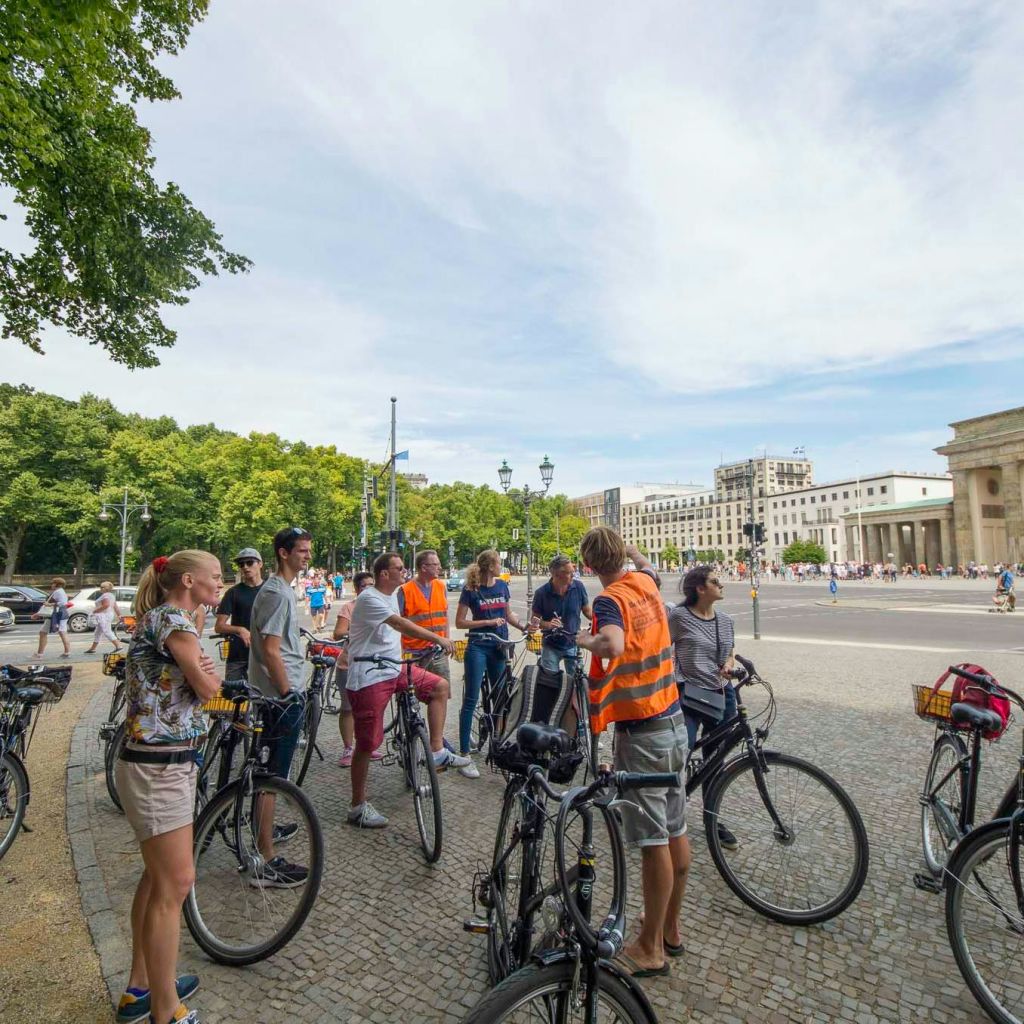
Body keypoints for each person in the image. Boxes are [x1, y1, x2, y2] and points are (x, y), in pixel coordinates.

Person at [114, 551, 222, 1024]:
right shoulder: (175, 619)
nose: (219, 584)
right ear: (188, 580)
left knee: (156, 879)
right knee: (175, 884)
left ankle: (142, 987)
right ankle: (165, 1011)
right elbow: (207, 688)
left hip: (152, 762)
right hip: (160, 767)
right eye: (213, 578)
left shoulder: (165, 617)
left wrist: (203, 668)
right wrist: (206, 673)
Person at [575, 527, 686, 979]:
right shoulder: (644, 583)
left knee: (652, 840)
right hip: (675, 720)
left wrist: (586, 641)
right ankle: (670, 929)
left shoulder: (608, 600)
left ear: (588, 566)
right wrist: (630, 549)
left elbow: (614, 644)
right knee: (677, 830)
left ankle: (648, 948)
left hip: (642, 731)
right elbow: (648, 566)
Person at [345, 551, 465, 828]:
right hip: (369, 675)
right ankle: (357, 806)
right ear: (384, 574)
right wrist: (437, 637)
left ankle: (435, 749)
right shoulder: (371, 598)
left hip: (394, 669)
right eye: (399, 568)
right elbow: (400, 625)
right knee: (367, 743)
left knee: (440, 687)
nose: (405, 572)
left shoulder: (390, 596)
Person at [247, 526, 313, 887]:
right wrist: (287, 693)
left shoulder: (279, 590)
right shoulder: (276, 593)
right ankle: (266, 859)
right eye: (301, 551)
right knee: (272, 778)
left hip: (275, 695)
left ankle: (264, 836)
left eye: (308, 550)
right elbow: (271, 649)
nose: (307, 556)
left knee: (270, 775)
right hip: (278, 699)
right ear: (283, 553)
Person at [671, 565, 738, 850]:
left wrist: (729, 664)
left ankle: (713, 818)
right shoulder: (679, 617)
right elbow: (663, 648)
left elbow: (731, 650)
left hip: (721, 695)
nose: (720, 584)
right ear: (700, 588)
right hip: (688, 696)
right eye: (714, 581)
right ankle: (667, 812)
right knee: (679, 754)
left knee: (715, 762)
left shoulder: (725, 620)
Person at [455, 548, 530, 778]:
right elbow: (459, 622)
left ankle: (499, 742)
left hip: (500, 646)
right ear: (490, 566)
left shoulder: (502, 586)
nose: (501, 567)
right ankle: (464, 754)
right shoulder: (471, 590)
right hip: (479, 645)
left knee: (501, 698)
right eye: (498, 563)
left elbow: (508, 614)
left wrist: (523, 627)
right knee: (471, 699)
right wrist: (486, 622)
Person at [333, 570, 376, 766]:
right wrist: (357, 631)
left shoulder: (378, 606)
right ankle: (348, 748)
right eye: (364, 586)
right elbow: (338, 633)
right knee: (348, 708)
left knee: (369, 709)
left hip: (371, 664)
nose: (368, 589)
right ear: (357, 589)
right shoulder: (349, 608)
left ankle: (366, 746)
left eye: (371, 585)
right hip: (348, 665)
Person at [530, 554, 592, 677]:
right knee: (550, 682)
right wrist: (548, 624)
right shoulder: (541, 593)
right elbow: (534, 619)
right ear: (556, 575)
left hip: (573, 642)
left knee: (577, 680)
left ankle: (577, 696)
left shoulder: (578, 587)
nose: (573, 575)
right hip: (551, 645)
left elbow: (587, 611)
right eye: (569, 573)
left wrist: (600, 620)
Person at [398, 548, 451, 680]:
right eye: (436, 564)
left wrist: (447, 640)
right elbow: (396, 623)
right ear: (423, 567)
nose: (440, 567)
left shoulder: (441, 586)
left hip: (438, 652)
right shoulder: (405, 590)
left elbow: (445, 616)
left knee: (441, 694)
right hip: (413, 653)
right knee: (411, 696)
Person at [213, 548, 265, 681]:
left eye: (249, 562)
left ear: (260, 564)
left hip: (265, 654)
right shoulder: (233, 593)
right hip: (238, 654)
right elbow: (219, 626)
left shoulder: (270, 591)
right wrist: (240, 629)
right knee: (234, 696)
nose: (245, 567)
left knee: (265, 697)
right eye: (241, 564)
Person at [33, 576, 72, 658]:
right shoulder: (60, 591)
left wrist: (49, 604)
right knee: (59, 632)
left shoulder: (58, 592)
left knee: (52, 632)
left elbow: (63, 603)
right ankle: (66, 651)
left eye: (53, 583)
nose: (51, 584)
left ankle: (40, 653)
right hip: (59, 614)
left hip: (56, 614)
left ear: (57, 584)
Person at [84, 580, 122, 655]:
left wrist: (95, 611)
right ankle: (93, 648)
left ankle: (118, 646)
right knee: (98, 632)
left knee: (106, 631)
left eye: (101, 587)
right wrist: (119, 615)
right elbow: (115, 606)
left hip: (104, 615)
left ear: (105, 588)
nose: (100, 588)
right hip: (108, 614)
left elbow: (106, 605)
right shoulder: (111, 595)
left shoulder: (105, 595)